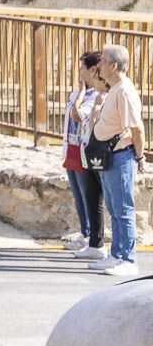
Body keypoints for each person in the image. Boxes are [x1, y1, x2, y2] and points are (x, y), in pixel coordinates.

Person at [88, 44, 146, 276]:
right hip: (110, 158)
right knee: (114, 207)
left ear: (113, 65)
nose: (99, 65)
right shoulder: (115, 89)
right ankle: (117, 254)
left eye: (102, 61)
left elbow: (137, 129)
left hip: (121, 158)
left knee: (123, 209)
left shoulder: (124, 91)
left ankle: (128, 259)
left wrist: (140, 157)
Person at [63, 52, 105, 259]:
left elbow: (77, 116)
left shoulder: (93, 95)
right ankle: (84, 233)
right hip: (71, 148)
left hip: (83, 152)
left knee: (87, 195)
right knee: (78, 196)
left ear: (91, 70)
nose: (80, 71)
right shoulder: (79, 93)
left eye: (82, 68)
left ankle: (91, 237)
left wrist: (80, 94)